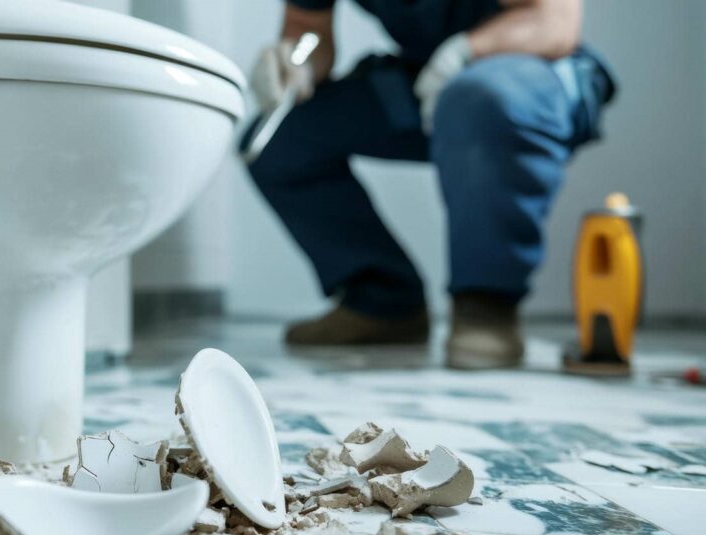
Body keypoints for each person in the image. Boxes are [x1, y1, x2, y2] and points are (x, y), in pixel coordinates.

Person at [244, 0, 616, 369]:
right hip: (425, 77)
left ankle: (486, 306)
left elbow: (554, 21)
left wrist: (465, 51)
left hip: (529, 74)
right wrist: (296, 62)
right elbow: (307, 25)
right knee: (279, 140)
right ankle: (384, 304)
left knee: (478, 98)